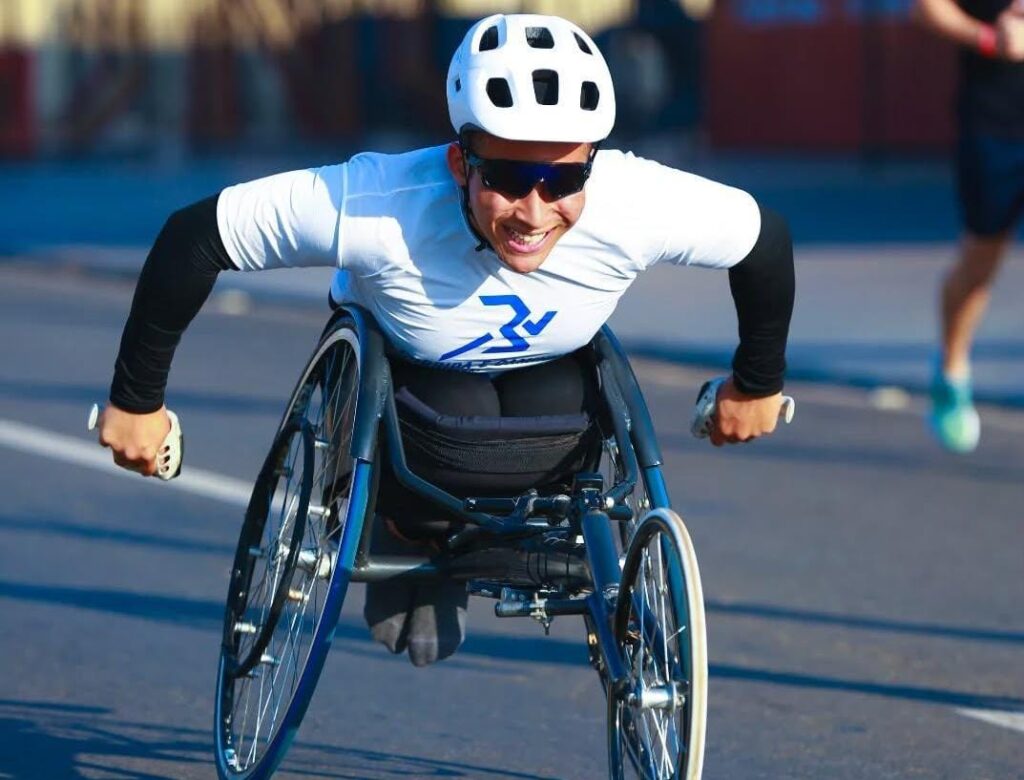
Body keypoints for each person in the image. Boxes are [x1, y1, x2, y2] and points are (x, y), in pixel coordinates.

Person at [94, 13, 795, 665]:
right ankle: (406, 533)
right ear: (462, 164)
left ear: (593, 165)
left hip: (552, 398)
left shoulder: (636, 202)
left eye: (564, 179)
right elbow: (196, 237)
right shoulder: (377, 205)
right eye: (510, 177)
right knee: (459, 404)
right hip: (407, 398)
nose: (534, 210)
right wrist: (137, 402)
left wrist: (756, 383)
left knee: (554, 393)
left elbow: (762, 240)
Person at [913, 0, 1024, 453]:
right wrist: (990, 39)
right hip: (995, 122)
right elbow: (928, 9)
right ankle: (952, 370)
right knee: (981, 260)